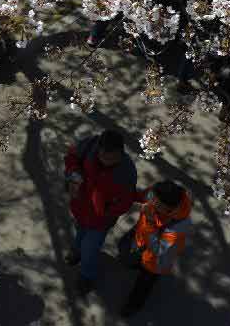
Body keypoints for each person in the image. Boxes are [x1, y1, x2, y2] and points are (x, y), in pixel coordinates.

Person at [64, 129, 137, 293]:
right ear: (98, 148)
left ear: (120, 153)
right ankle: (77, 252)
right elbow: (71, 158)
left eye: (111, 158)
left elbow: (126, 201)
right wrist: (73, 173)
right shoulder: (88, 146)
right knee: (80, 232)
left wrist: (107, 209)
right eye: (102, 155)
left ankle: (86, 275)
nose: (105, 160)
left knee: (90, 247)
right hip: (81, 208)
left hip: (101, 219)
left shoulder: (126, 172)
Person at [120, 180, 193, 317]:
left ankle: (133, 305)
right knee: (124, 248)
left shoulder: (178, 228)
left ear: (169, 208)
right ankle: (135, 263)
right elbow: (142, 196)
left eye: (157, 203)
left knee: (143, 285)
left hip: (156, 262)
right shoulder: (158, 195)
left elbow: (159, 250)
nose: (151, 202)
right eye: (153, 198)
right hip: (141, 240)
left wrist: (149, 222)